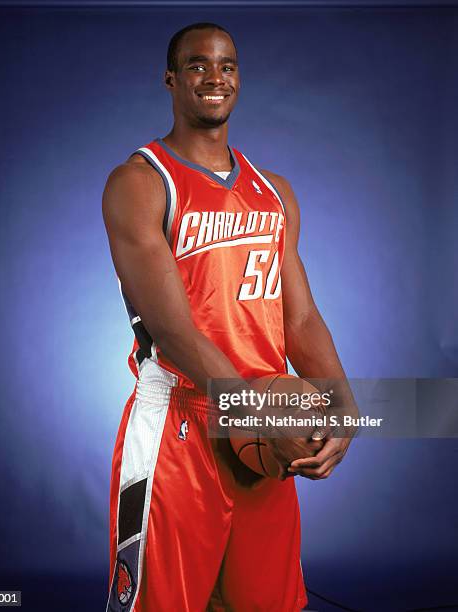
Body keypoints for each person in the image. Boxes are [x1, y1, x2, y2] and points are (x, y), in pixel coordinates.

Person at [102, 22, 355, 612]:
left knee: (269, 602)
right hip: (183, 424)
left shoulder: (273, 192)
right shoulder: (140, 184)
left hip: (264, 409)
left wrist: (342, 405)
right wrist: (259, 410)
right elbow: (173, 330)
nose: (214, 77)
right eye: (197, 65)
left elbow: (302, 319)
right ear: (171, 80)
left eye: (227, 66)